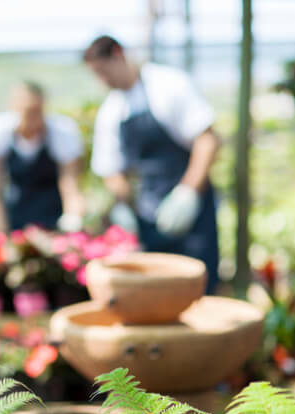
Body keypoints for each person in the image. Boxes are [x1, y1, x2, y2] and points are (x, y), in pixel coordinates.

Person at [83, 35, 221, 294]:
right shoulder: (112, 111)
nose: (103, 80)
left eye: (104, 71)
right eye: (96, 75)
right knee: (157, 292)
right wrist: (124, 208)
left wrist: (187, 192)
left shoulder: (167, 84)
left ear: (118, 54)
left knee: (199, 287)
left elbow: (207, 140)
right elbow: (111, 170)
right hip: (149, 214)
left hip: (192, 211)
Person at [0, 81, 84, 232]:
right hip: (14, 212)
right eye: (27, 111)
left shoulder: (62, 132)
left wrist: (72, 220)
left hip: (53, 211)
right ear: (13, 107)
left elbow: (70, 183)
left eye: (37, 111)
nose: (32, 117)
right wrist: (1, 231)